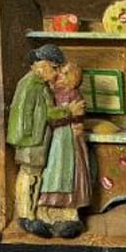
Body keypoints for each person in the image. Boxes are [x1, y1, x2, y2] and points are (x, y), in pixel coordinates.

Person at [6, 44, 83, 237]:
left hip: (35, 139)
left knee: (34, 177)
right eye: (54, 68)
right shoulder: (31, 85)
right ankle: (26, 215)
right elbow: (43, 114)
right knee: (29, 176)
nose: (56, 74)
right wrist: (69, 111)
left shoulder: (38, 84)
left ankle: (31, 214)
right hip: (32, 140)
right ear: (43, 65)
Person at [36, 61, 91, 238]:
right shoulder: (51, 92)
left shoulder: (73, 94)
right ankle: (47, 207)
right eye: (59, 72)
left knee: (70, 172)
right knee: (53, 171)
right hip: (56, 138)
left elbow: (78, 116)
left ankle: (68, 209)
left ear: (74, 78)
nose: (60, 76)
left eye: (66, 73)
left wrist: (76, 121)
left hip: (69, 139)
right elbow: (51, 117)